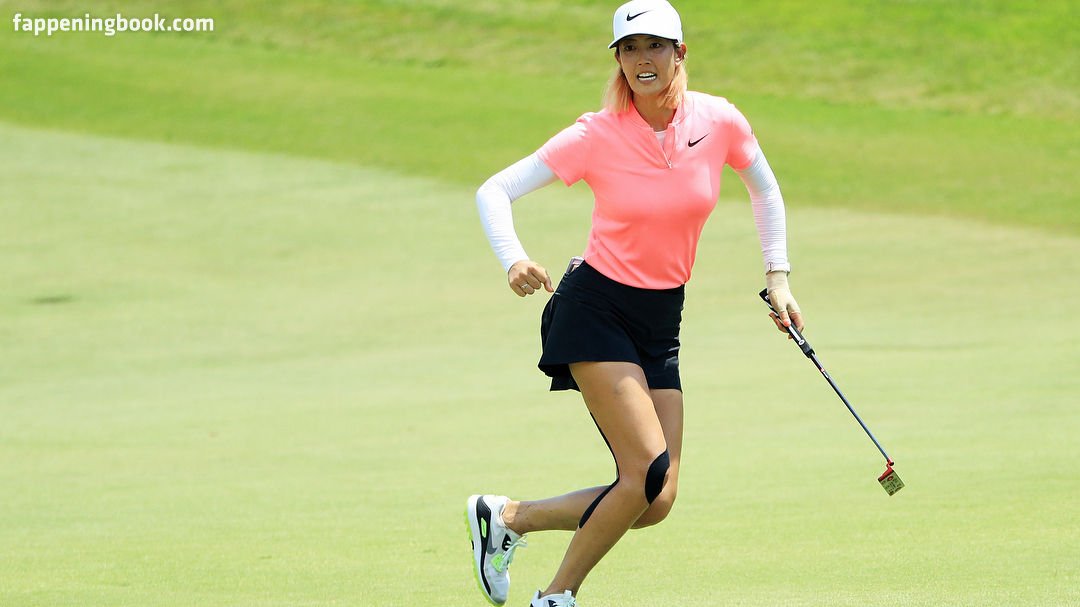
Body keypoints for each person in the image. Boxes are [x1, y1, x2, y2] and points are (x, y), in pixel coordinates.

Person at [467, 1, 803, 605]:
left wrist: (777, 277)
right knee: (645, 469)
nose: (642, 60)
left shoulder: (719, 120)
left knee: (657, 497)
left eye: (655, 46)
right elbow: (495, 191)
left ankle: (509, 517)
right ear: (618, 60)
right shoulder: (595, 134)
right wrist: (514, 259)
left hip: (661, 319)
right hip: (595, 308)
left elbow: (765, 189)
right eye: (629, 49)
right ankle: (556, 596)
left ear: (680, 53)